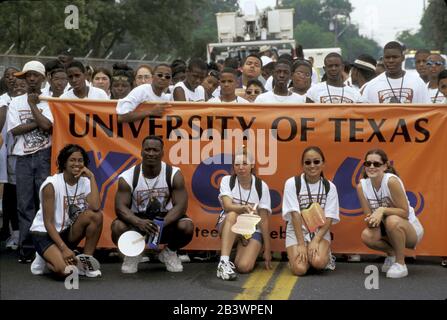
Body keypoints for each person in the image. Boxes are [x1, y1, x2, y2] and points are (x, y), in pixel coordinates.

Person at [111, 135, 194, 273]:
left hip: (164, 222)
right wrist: (138, 222)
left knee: (186, 226)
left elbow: (181, 206)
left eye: (155, 150)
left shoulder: (174, 174)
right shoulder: (127, 177)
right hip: (138, 222)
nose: (151, 153)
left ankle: (169, 253)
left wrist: (161, 224)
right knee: (117, 226)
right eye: (147, 150)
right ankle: (133, 254)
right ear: (141, 152)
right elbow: (120, 208)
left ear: (162, 153)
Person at [29, 144, 103, 278]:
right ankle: (45, 258)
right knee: (67, 272)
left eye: (80, 160)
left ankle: (87, 264)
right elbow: (49, 223)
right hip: (45, 234)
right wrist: (64, 248)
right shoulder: (51, 185)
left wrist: (92, 177)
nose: (77, 164)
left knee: (95, 216)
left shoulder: (85, 181)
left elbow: (96, 207)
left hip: (65, 231)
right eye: (72, 160)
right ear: (63, 163)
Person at [7, 61, 54, 263]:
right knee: (24, 204)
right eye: (28, 76)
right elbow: (14, 130)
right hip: (24, 158)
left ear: (43, 78)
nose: (31, 79)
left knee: (45, 202)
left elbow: (49, 127)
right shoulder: (16, 103)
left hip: (45, 156)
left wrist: (34, 105)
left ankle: (45, 247)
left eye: (35, 75)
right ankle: (26, 249)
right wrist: (39, 122)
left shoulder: (51, 101)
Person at [357, 149, 424, 278]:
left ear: (385, 166)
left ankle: (401, 264)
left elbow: (404, 212)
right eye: (368, 163)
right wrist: (371, 221)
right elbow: (368, 217)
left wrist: (382, 210)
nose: (371, 167)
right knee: (367, 235)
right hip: (386, 230)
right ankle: (392, 254)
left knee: (392, 220)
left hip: (410, 230)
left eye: (376, 164)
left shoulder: (391, 181)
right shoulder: (362, 187)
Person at [216, 147, 272, 280]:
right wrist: (242, 208)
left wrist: (268, 249)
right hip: (229, 224)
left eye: (245, 164)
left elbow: (263, 220)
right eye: (237, 164)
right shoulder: (227, 181)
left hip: (251, 229)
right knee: (232, 214)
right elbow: (228, 206)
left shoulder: (261, 186)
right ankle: (223, 262)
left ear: (252, 165)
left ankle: (238, 251)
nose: (241, 167)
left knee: (244, 267)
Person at [282, 146, 339, 275]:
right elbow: (295, 215)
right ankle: (298, 256)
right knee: (300, 269)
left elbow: (329, 218)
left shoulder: (330, 187)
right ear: (302, 165)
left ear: (323, 164)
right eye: (308, 162)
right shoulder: (292, 183)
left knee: (318, 262)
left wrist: (315, 241)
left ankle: (325, 256)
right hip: (297, 230)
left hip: (320, 230)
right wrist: (301, 244)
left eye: (316, 162)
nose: (312, 165)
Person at [361, 42, 430, 104]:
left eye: (395, 57)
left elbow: (427, 110)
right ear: (383, 59)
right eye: (387, 57)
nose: (391, 61)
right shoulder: (371, 86)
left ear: (403, 58)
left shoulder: (418, 83)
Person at [0, 67, 19, 246]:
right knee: (8, 195)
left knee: (20, 195)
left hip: (22, 154)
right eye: (8, 76)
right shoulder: (2, 101)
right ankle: (10, 231)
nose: (11, 79)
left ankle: (19, 233)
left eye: (15, 76)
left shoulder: (27, 99)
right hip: (5, 153)